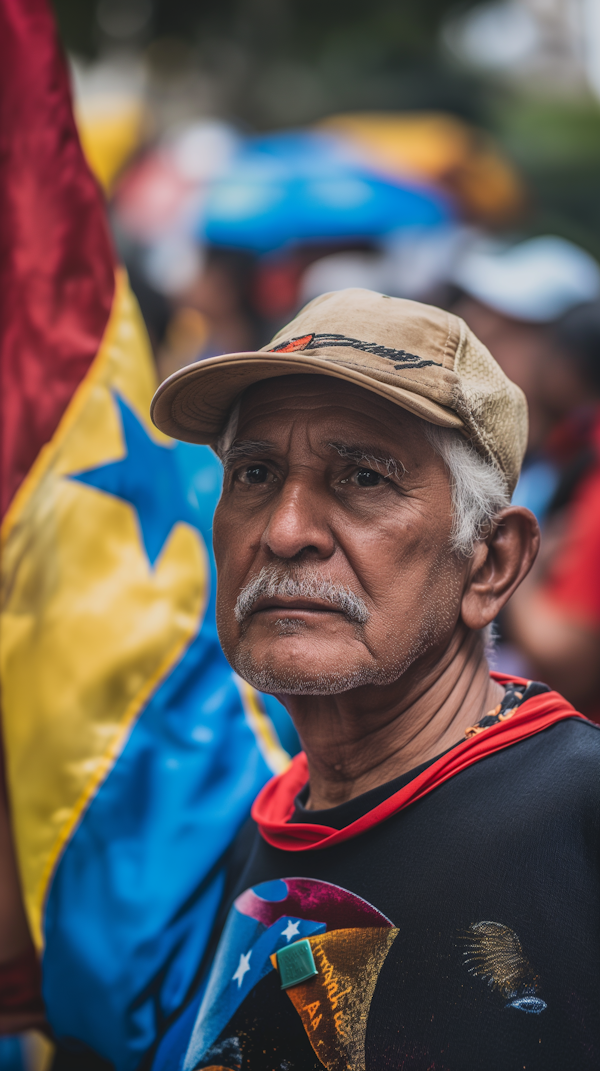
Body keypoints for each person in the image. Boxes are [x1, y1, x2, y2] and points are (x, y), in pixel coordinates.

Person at [150, 289, 600, 1071]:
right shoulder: (262, 825)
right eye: (253, 472)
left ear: (490, 564)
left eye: (363, 478)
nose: (284, 532)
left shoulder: (580, 821)